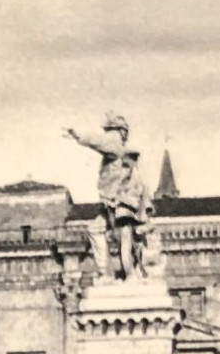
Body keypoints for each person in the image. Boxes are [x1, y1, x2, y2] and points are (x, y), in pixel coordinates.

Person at [64, 113, 154, 281]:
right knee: (98, 230)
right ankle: (108, 273)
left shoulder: (114, 145)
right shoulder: (123, 152)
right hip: (113, 203)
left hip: (118, 203)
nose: (106, 135)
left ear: (117, 132)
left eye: (109, 131)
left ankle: (118, 273)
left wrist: (78, 134)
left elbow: (96, 141)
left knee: (117, 237)